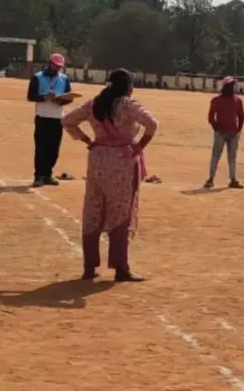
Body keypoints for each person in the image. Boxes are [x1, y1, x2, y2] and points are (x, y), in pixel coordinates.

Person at [62, 69, 158, 282]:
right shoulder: (128, 105)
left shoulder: (94, 103)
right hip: (122, 161)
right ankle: (120, 268)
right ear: (128, 87)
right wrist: (139, 146)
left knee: (93, 209)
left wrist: (87, 140)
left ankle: (89, 267)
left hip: (97, 159)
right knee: (120, 212)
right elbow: (152, 124)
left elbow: (67, 120)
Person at [27, 53, 75, 187]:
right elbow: (31, 96)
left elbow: (68, 97)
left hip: (58, 118)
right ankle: (38, 175)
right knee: (41, 148)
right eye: (56, 65)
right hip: (42, 117)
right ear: (49, 63)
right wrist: (45, 97)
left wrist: (61, 101)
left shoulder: (64, 79)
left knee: (54, 149)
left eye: (60, 66)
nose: (58, 68)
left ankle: (48, 174)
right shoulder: (37, 78)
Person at [205, 76, 244, 189]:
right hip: (222, 133)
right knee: (217, 156)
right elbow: (211, 117)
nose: (232, 87)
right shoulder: (217, 100)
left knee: (231, 158)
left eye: (232, 85)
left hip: (231, 133)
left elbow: (241, 117)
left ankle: (232, 179)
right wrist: (216, 129)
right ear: (224, 87)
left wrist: (238, 131)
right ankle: (211, 179)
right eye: (230, 85)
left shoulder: (237, 100)